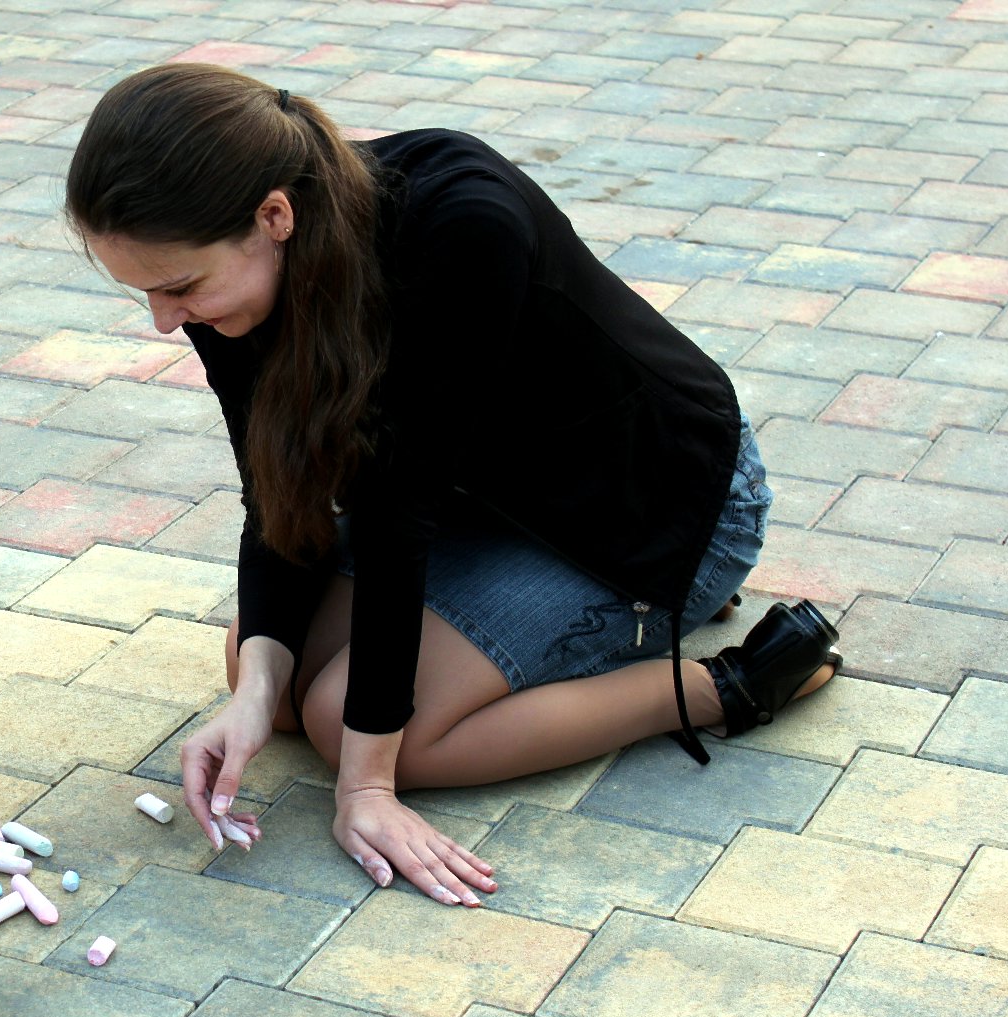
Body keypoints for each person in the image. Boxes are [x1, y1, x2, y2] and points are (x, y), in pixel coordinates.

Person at [65, 64, 840, 906]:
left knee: (348, 725)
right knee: (263, 674)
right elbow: (279, 496)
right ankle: (541, 644)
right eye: (145, 293)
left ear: (273, 217)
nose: (164, 321)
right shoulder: (232, 281)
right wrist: (252, 691)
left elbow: (397, 514)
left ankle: (721, 687)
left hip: (646, 515)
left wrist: (366, 786)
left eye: (178, 288)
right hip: (478, 499)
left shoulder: (462, 222)